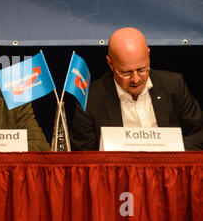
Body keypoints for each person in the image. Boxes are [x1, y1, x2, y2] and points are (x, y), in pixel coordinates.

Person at [71, 27, 203, 151]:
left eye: (141, 70)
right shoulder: (91, 98)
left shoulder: (173, 85)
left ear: (148, 55)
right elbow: (83, 154)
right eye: (126, 73)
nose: (136, 79)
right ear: (110, 64)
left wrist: (167, 151)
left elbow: (199, 134)